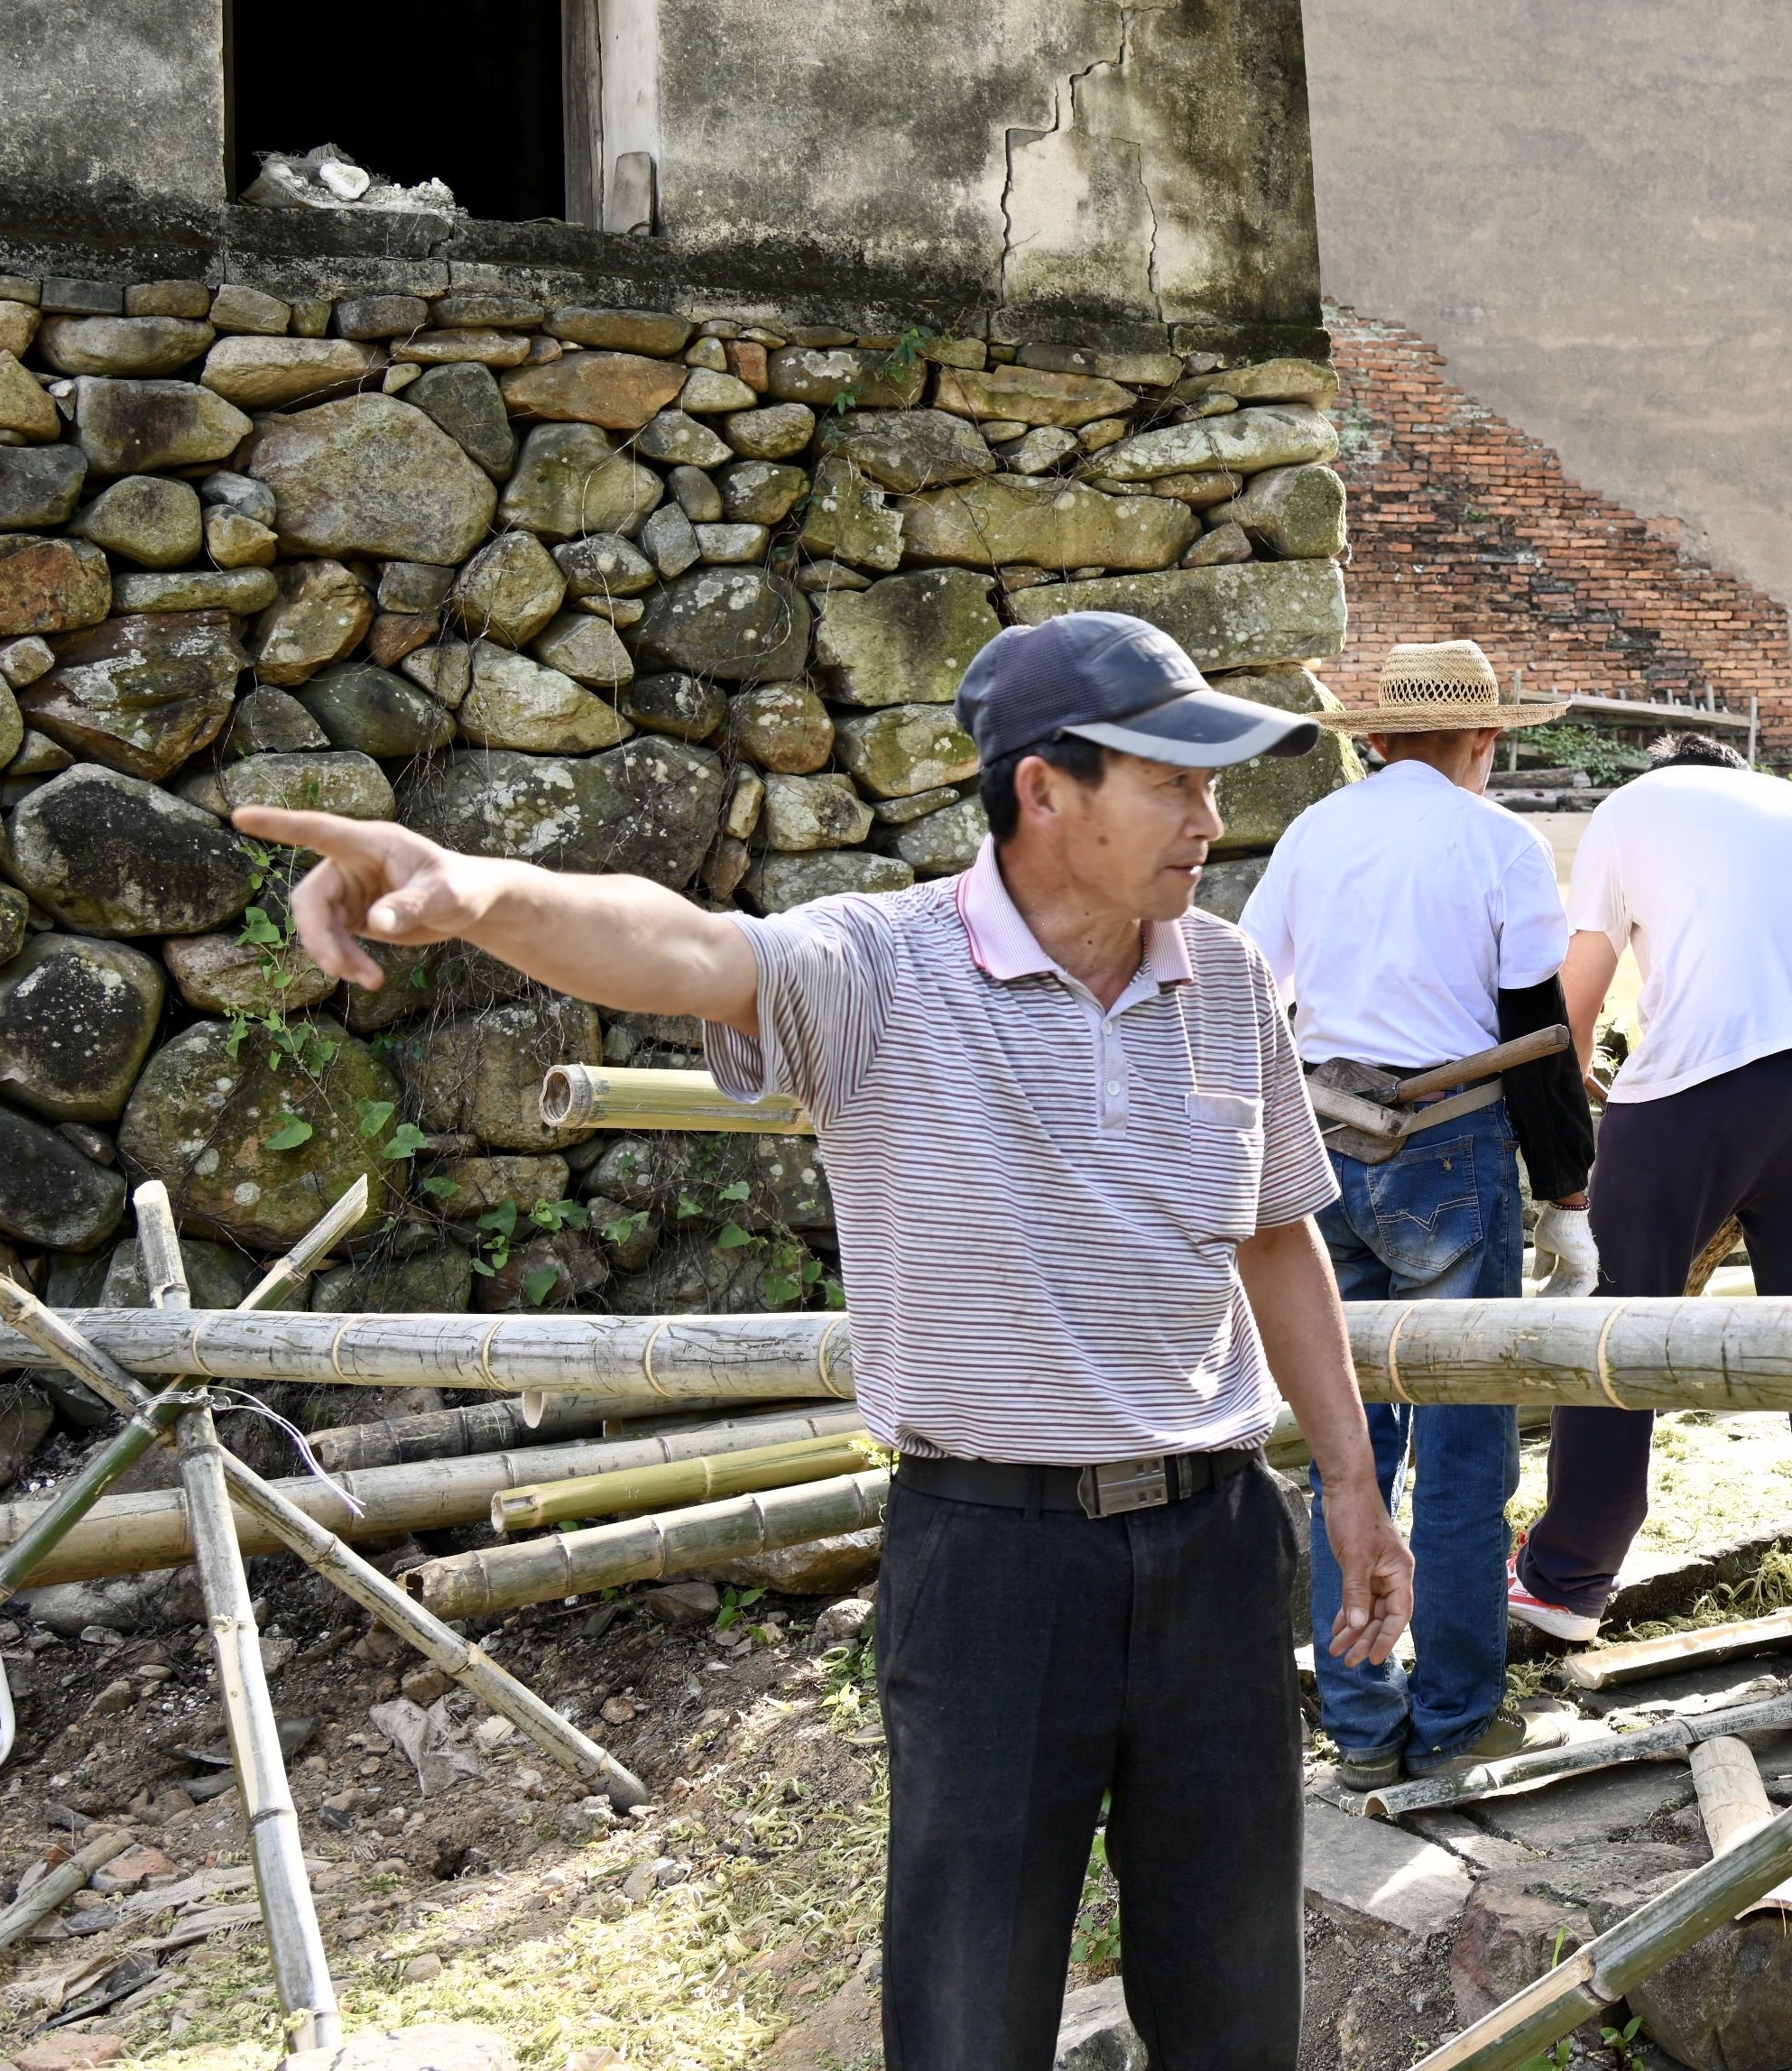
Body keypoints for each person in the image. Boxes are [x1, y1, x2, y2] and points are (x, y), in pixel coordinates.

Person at [237, 610, 1410, 2071]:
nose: (1209, 819)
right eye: (1172, 781)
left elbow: (1276, 1233)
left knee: (1236, 1997)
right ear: (1044, 790)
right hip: (993, 1558)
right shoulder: (880, 969)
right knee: (970, 2008)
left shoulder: (1224, 977)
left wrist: (1352, 1483)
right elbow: (676, 947)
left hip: (1218, 1542)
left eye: (1210, 785)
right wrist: (478, 889)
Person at [1241, 640, 1600, 1790]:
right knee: (1460, 1446)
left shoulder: (1314, 833)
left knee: (1348, 1445)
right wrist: (1570, 1199)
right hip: (1453, 1139)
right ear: (1485, 740)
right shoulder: (1499, 843)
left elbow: (1252, 984)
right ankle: (1453, 1712)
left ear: (1375, 737)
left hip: (1323, 1138)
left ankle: (1357, 1716)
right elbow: (1538, 1030)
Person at [1509, 733, 1792, 1676]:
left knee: (1613, 1318)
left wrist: (1564, 1153)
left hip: (1708, 1076)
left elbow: (1570, 1010)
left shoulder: (1632, 808)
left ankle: (1567, 1578)